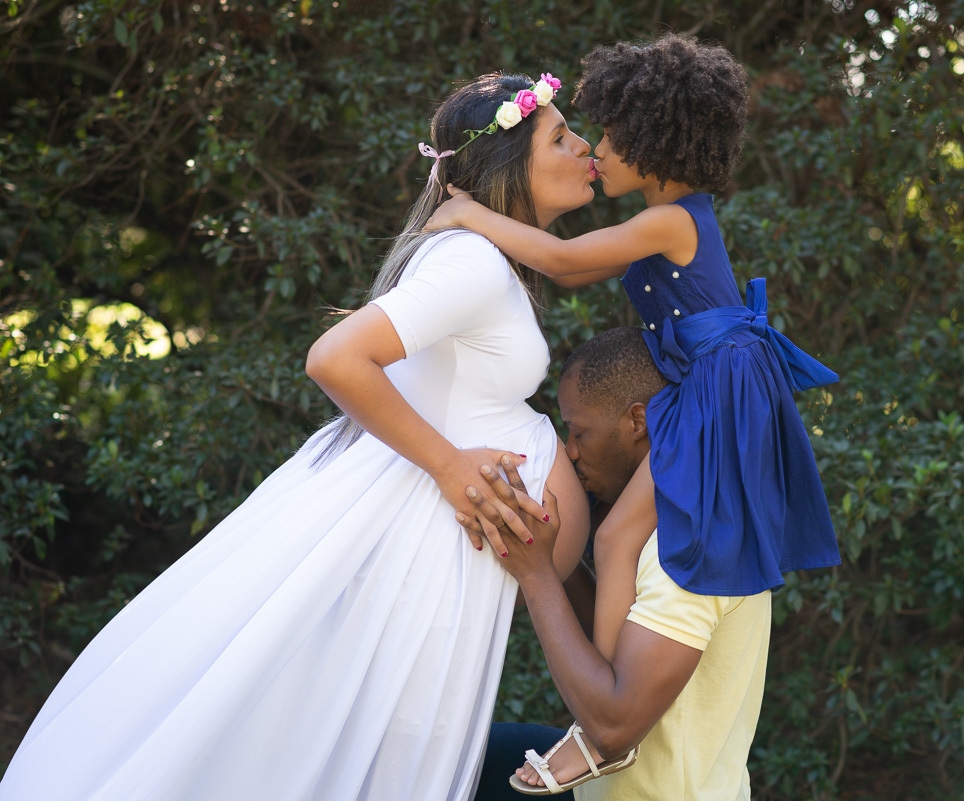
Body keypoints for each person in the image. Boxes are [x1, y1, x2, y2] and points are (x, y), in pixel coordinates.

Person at [0, 72, 595, 801]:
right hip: (423, 546)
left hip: (434, 553)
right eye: (560, 137)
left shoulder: (483, 256)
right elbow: (335, 358)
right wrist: (449, 466)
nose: (584, 146)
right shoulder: (471, 261)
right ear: (508, 167)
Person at [426, 34, 842, 790]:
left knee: (619, 535)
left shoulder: (674, 221)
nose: (597, 151)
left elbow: (563, 261)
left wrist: (468, 216)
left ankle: (604, 732)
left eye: (611, 137)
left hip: (717, 395)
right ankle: (604, 724)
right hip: (702, 393)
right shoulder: (662, 220)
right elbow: (571, 270)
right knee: (616, 536)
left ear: (654, 146)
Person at [465, 327, 774, 801]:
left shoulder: (694, 552)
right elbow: (617, 646)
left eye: (579, 431)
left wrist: (536, 572)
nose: (571, 450)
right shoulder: (668, 526)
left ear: (637, 421)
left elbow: (611, 729)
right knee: (460, 754)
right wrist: (541, 545)